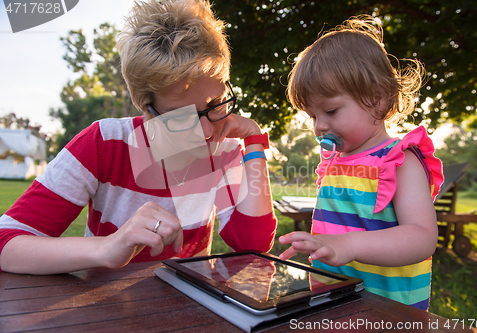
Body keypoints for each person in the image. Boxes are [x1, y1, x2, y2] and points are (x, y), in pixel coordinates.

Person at [0, 0, 277, 275]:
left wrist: (253, 139)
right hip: (100, 308)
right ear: (146, 106)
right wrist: (107, 248)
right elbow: (6, 242)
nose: (205, 132)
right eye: (181, 116)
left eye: (216, 102)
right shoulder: (104, 143)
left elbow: (253, 244)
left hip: (189, 307)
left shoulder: (224, 147)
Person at [278, 15, 444, 311]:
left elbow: (422, 237)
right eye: (313, 115)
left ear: (377, 99)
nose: (318, 126)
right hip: (336, 302)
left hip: (388, 311)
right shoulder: (333, 161)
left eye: (330, 110)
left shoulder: (399, 160)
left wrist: (349, 245)